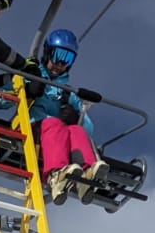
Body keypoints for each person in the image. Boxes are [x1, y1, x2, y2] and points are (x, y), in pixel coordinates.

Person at [23, 29, 108, 204]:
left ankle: (87, 174)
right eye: (58, 55)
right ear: (47, 53)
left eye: (67, 59)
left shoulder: (68, 93)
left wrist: (76, 117)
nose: (60, 63)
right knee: (54, 123)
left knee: (76, 130)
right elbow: (1, 102)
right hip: (28, 130)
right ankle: (56, 174)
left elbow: (88, 129)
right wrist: (26, 90)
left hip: (55, 137)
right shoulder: (31, 76)